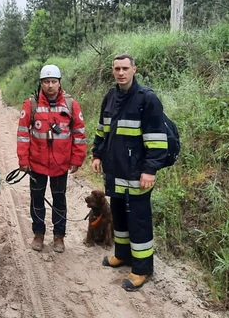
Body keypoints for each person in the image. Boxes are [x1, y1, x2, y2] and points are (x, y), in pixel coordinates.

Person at [92, 53, 168, 291]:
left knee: (139, 220)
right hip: (115, 171)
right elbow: (102, 129)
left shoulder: (147, 99)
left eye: (125, 68)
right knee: (119, 216)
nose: (121, 73)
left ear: (135, 69)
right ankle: (122, 255)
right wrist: (96, 154)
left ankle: (142, 269)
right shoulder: (110, 96)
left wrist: (150, 170)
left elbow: (157, 138)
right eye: (117, 68)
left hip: (138, 174)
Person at [16, 64, 87, 253]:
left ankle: (59, 236)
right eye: (46, 82)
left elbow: (79, 133)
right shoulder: (30, 104)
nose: (50, 86)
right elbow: (23, 134)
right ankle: (38, 234)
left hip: (60, 164)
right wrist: (23, 160)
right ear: (41, 83)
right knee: (36, 199)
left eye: (53, 82)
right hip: (36, 164)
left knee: (59, 199)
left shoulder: (71, 104)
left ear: (59, 83)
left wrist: (77, 159)